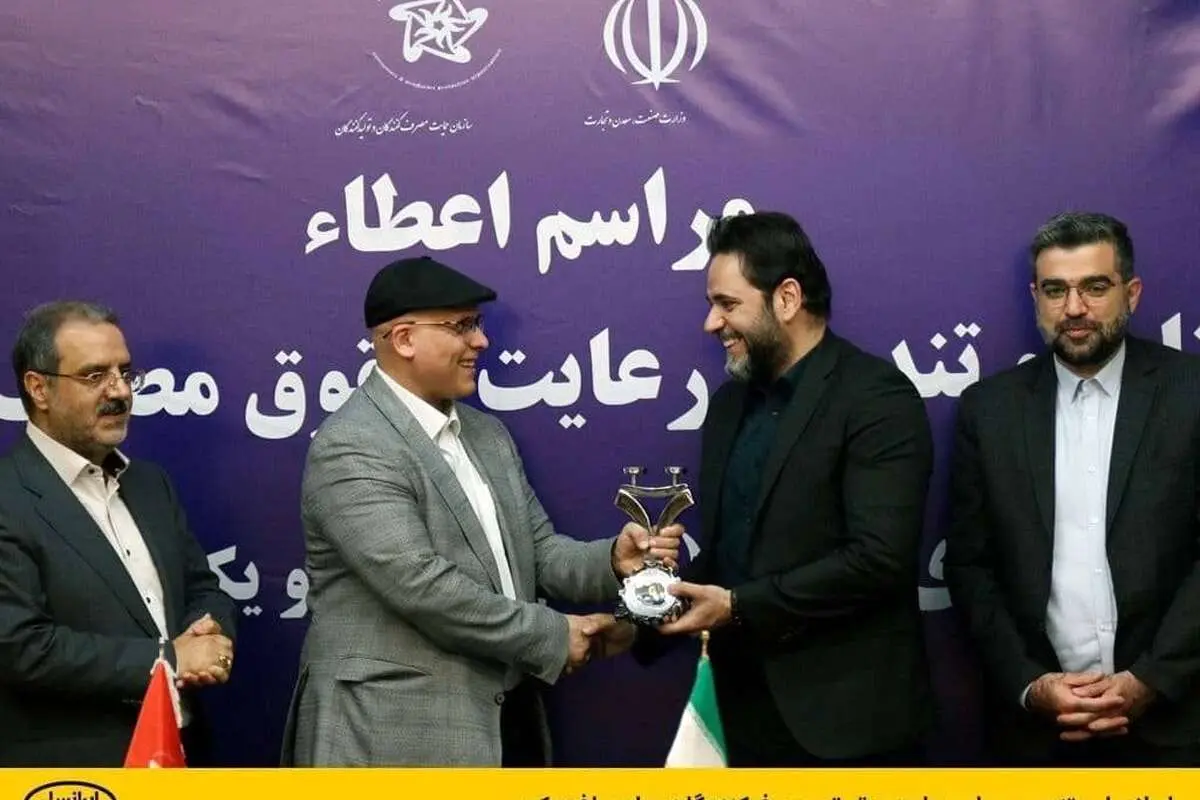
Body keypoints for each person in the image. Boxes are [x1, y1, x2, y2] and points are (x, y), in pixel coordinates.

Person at [280, 255, 682, 766]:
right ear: (404, 339)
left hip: (504, 723)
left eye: (477, 324)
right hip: (391, 734)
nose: (482, 341)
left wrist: (613, 561)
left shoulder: (487, 434)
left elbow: (538, 552)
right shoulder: (353, 445)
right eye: (462, 326)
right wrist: (553, 635)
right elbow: (421, 586)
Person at [640, 211, 935, 766]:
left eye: (727, 304)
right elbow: (732, 554)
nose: (711, 323)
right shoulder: (729, 406)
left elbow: (879, 559)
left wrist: (737, 606)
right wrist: (644, 612)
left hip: (847, 728)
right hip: (740, 719)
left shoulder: (876, 398)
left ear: (787, 298)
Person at [945, 211, 1200, 766]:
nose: (1075, 308)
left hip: (1178, 726)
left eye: (1095, 287)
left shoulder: (1190, 394)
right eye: (1056, 290)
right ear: (1036, 297)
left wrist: (1153, 678)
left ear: (1131, 293)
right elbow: (969, 565)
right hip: (1036, 736)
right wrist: (1029, 684)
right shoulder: (990, 411)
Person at [0, 301, 235, 767]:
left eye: (125, 372)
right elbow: (19, 647)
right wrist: (168, 659)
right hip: (73, 776)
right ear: (38, 388)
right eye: (95, 376)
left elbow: (203, 587)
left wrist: (209, 636)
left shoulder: (150, 484)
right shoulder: (9, 496)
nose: (120, 391)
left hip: (184, 759)